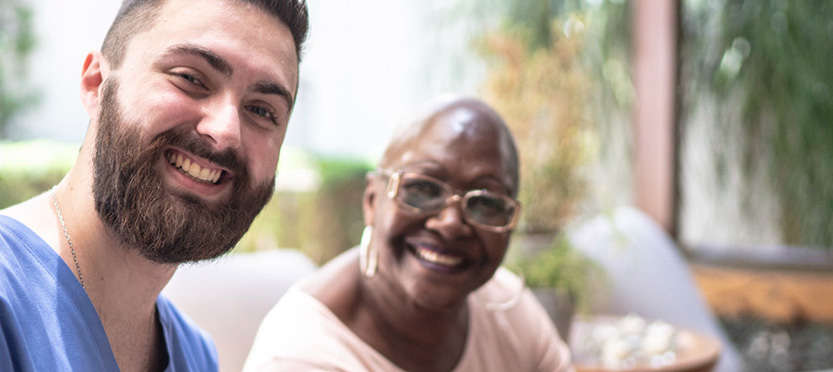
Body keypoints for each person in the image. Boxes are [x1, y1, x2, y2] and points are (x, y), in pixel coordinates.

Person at [0, 0, 308, 370]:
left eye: (261, 110)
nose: (225, 131)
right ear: (96, 83)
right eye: (190, 78)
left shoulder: (196, 355)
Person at [244, 96, 575, 372]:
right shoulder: (301, 355)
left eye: (486, 202)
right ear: (372, 200)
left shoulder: (508, 308)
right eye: (422, 188)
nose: (450, 222)